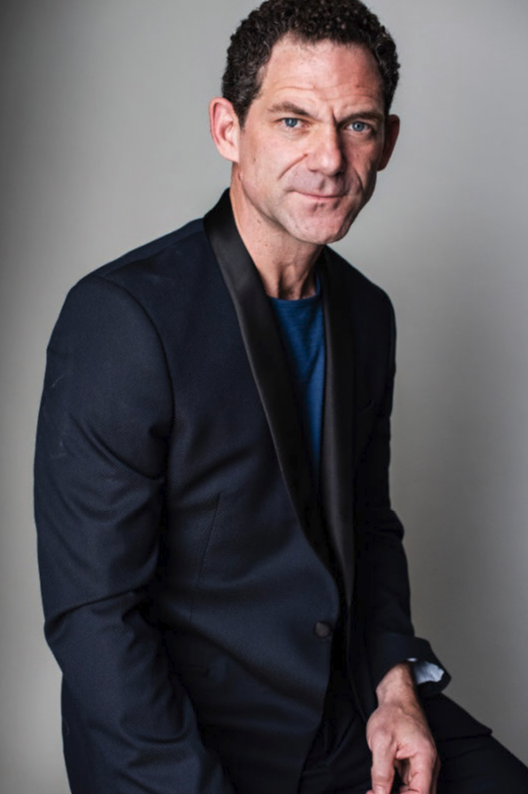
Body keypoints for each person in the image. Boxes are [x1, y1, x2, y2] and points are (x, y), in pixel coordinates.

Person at [34, 1, 528, 792]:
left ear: (387, 141)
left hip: (343, 708)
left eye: (357, 125)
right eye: (294, 121)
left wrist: (396, 687)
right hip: (183, 732)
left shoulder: (368, 314)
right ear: (228, 129)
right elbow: (93, 613)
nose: (329, 159)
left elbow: (367, 524)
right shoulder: (122, 319)